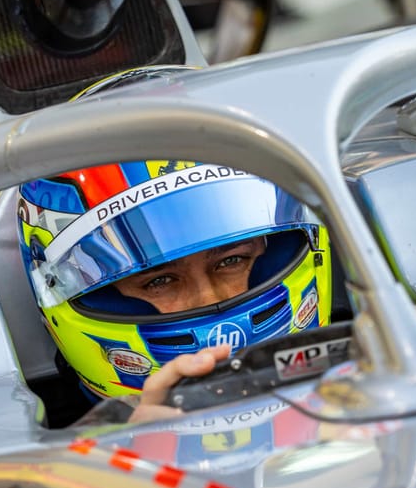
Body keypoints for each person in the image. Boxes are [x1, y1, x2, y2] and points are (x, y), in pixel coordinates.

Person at [17, 157, 334, 427]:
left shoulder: (361, 375)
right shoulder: (44, 460)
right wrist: (137, 450)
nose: (210, 300)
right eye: (159, 281)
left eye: (231, 260)